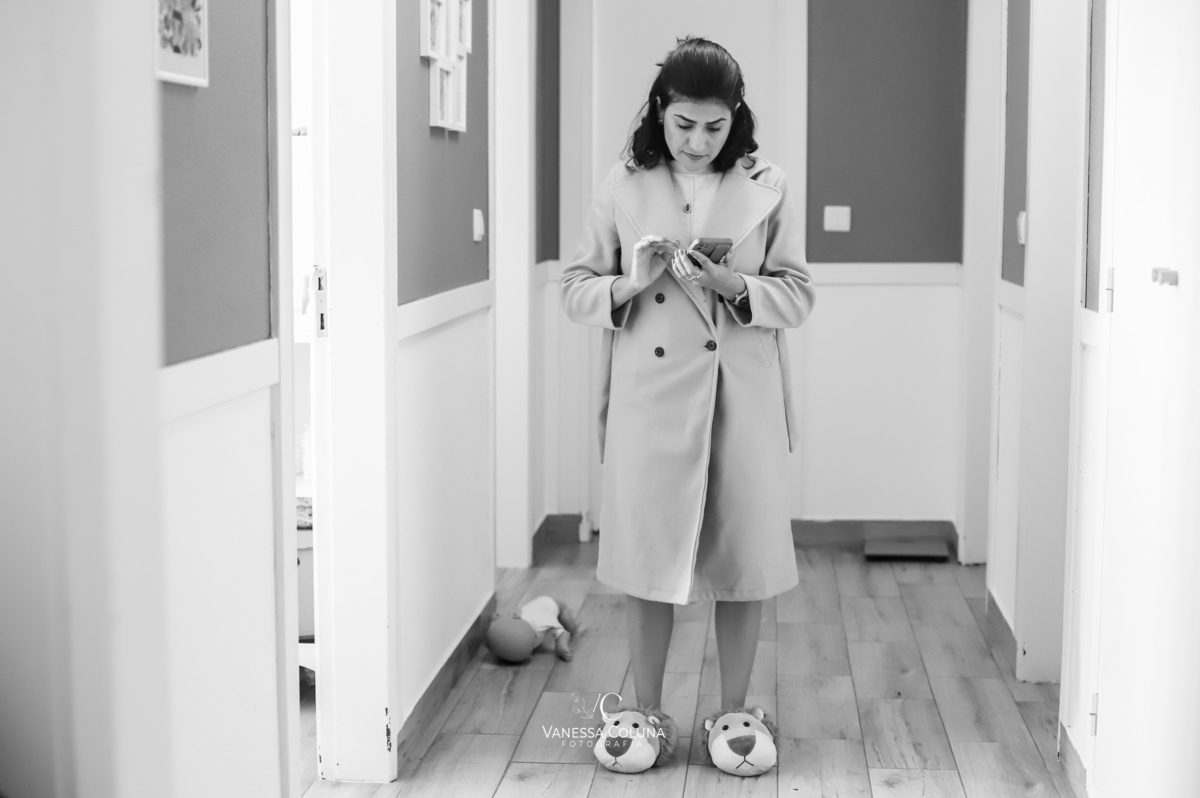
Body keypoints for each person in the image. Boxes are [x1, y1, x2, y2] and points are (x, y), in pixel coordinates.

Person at [560, 36, 816, 739]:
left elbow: (798, 295)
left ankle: (734, 712)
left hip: (743, 392)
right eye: (683, 125)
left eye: (715, 126)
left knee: (744, 558)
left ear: (736, 118)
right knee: (648, 556)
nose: (698, 142)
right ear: (659, 111)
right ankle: (644, 713)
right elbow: (574, 289)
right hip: (651, 395)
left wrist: (733, 284)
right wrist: (631, 282)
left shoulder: (769, 183)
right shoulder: (623, 183)